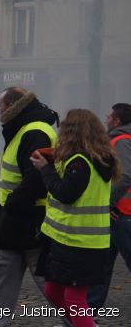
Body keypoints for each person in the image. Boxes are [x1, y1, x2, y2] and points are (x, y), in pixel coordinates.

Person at [0, 87, 58, 327]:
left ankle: (81, 321)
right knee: (3, 279)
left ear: (12, 105)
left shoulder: (33, 131)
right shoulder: (27, 128)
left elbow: (35, 178)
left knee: (50, 284)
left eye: (0, 104)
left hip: (29, 219)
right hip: (16, 218)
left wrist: (12, 205)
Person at [29, 109, 118, 327]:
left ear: (72, 131)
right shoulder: (96, 158)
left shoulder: (81, 162)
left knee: (74, 299)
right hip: (69, 240)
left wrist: (45, 169)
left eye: (65, 127)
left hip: (81, 244)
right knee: (53, 290)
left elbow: (65, 194)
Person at [89, 102, 131, 308]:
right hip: (118, 214)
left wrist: (108, 203)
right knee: (101, 264)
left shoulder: (121, 141)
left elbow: (125, 176)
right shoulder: (121, 139)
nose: (105, 120)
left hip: (122, 213)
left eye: (108, 117)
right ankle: (90, 308)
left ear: (117, 121)